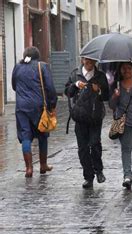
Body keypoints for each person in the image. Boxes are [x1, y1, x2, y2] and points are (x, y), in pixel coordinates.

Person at [12, 46, 57, 178]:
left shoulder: (18, 67)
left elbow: (14, 85)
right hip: (39, 107)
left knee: (25, 135)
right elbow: (50, 88)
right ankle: (43, 165)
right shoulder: (42, 66)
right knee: (42, 133)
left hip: (21, 107)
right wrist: (52, 104)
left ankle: (29, 168)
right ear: (38, 56)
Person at [65, 57, 109, 189]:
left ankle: (99, 170)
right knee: (83, 148)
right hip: (80, 116)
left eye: (91, 61)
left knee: (95, 144)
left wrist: (99, 90)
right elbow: (67, 92)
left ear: (95, 62)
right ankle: (88, 177)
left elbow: (106, 95)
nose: (89, 64)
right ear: (82, 60)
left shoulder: (100, 76)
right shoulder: (75, 74)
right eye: (86, 61)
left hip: (95, 116)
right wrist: (75, 85)